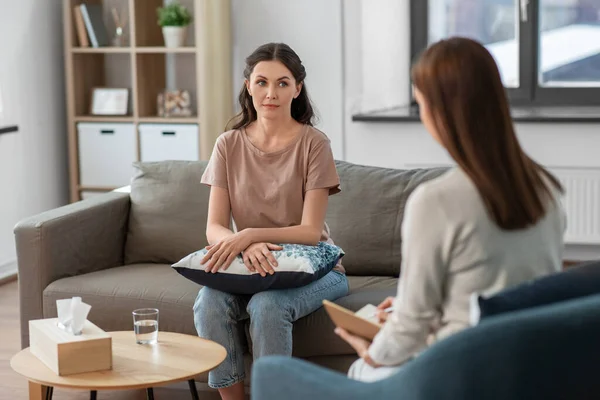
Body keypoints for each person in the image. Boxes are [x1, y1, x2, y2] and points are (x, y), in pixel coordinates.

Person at [335, 37, 566, 382]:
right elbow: (502, 289)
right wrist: (404, 311)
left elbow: (409, 334)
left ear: (440, 111)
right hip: (529, 364)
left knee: (360, 371)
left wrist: (374, 351)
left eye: (421, 103)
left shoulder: (436, 202)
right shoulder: (546, 188)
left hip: (462, 370)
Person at [193, 42, 349, 400]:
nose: (271, 93)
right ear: (249, 85)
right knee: (208, 302)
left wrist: (248, 235)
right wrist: (247, 244)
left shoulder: (314, 144)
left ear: (297, 88)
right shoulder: (227, 145)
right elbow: (214, 227)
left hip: (317, 268)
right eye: (262, 82)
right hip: (254, 263)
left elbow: (310, 232)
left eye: (282, 83)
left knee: (268, 306)